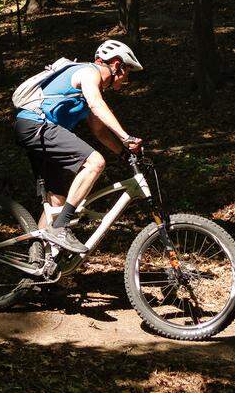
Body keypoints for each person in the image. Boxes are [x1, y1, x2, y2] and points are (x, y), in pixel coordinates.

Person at [14, 40, 144, 254]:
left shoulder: (89, 90)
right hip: (36, 125)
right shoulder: (88, 72)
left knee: (56, 203)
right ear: (117, 65)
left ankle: (39, 264)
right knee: (95, 162)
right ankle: (61, 228)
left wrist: (123, 152)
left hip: (34, 128)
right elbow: (96, 104)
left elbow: (99, 131)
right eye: (127, 71)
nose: (127, 78)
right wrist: (126, 137)